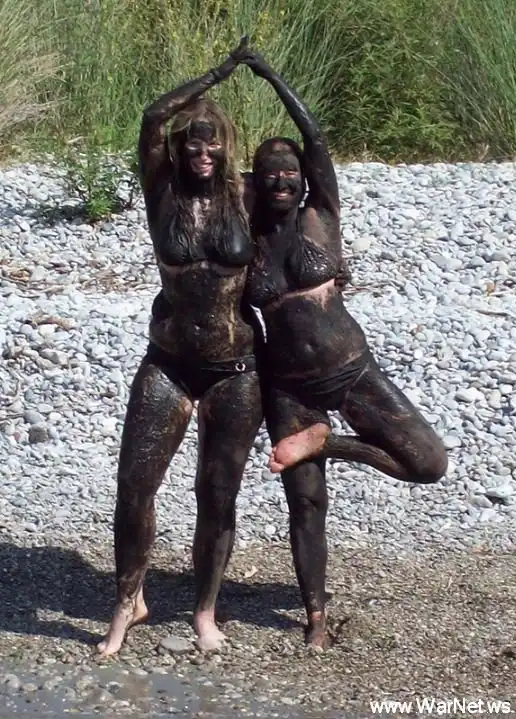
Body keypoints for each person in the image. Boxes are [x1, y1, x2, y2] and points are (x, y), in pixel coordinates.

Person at [238, 46, 448, 649]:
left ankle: (328, 443)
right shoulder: (247, 236)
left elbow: (315, 137)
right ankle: (316, 619)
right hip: (289, 387)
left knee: (428, 463)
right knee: (305, 502)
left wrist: (269, 73)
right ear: (255, 183)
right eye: (269, 173)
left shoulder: (321, 214)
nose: (282, 179)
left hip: (352, 370)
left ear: (305, 180)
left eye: (290, 172)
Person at [97, 39, 265, 657]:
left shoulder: (246, 196)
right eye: (193, 143)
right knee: (134, 487)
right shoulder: (161, 193)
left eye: (212, 143)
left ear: (227, 148)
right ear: (179, 148)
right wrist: (221, 72)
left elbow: (313, 181)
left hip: (235, 369)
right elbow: (151, 116)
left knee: (217, 494)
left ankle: (204, 610)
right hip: (167, 363)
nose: (202, 152)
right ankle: (127, 602)